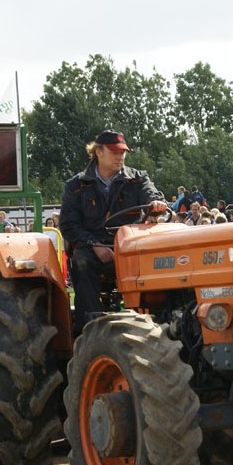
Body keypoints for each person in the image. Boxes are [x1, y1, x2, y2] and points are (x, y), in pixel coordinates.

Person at [59, 130, 167, 334]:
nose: (120, 157)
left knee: (162, 261)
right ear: (98, 152)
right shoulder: (77, 186)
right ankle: (91, 329)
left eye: (122, 152)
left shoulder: (137, 179)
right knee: (82, 262)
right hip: (93, 246)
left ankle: (161, 323)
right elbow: (68, 225)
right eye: (114, 152)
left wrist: (156, 203)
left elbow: (151, 194)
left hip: (131, 245)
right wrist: (94, 244)